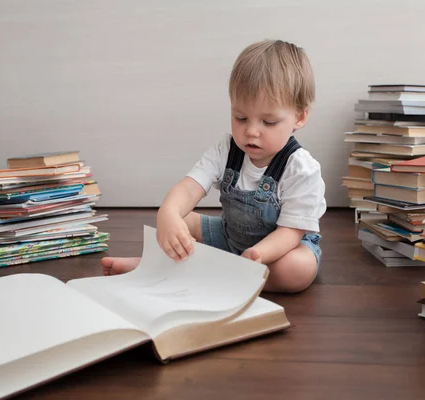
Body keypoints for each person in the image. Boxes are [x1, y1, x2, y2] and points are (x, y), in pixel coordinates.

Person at [101, 39, 326, 293]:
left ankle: (201, 271)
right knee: (181, 221)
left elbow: (291, 233)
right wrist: (168, 213)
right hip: (230, 239)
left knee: (297, 269)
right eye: (240, 117)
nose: (251, 131)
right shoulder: (227, 149)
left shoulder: (301, 168)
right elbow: (189, 188)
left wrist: (258, 254)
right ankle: (154, 266)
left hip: (275, 253)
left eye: (268, 122)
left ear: (300, 117)